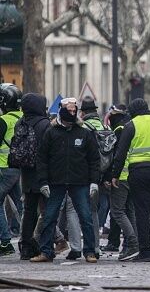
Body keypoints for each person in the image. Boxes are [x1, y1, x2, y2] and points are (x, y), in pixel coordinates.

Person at [31, 99, 99, 263]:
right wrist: (43, 182)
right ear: (61, 110)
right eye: (69, 110)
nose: (72, 112)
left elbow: (94, 159)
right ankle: (46, 251)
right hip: (56, 182)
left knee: (85, 217)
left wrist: (94, 181)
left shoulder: (84, 133)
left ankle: (90, 251)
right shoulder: (51, 132)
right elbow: (42, 159)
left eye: (74, 110)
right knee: (49, 217)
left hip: (79, 182)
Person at [111, 98, 150, 262]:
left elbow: (120, 153)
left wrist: (115, 175)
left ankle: (145, 252)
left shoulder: (131, 125)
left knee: (142, 213)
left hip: (139, 173)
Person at [15, 93, 52, 260]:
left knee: (29, 211)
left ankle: (26, 247)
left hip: (26, 172)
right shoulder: (45, 124)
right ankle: (45, 246)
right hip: (44, 173)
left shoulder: (19, 123)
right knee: (47, 211)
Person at [105, 106, 140, 261]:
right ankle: (131, 244)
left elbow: (116, 156)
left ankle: (132, 243)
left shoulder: (119, 129)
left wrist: (112, 175)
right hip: (133, 174)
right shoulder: (132, 126)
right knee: (130, 210)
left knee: (118, 211)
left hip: (122, 176)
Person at [79, 96, 111, 257]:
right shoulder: (104, 125)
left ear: (83, 112)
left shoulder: (84, 127)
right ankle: (96, 246)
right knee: (96, 211)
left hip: (87, 174)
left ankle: (89, 247)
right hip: (103, 173)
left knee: (87, 212)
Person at [0, 83, 23, 256]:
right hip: (20, 169)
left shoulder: (4, 120)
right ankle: (30, 238)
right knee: (23, 206)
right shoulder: (24, 117)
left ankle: (5, 241)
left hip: (3, 168)